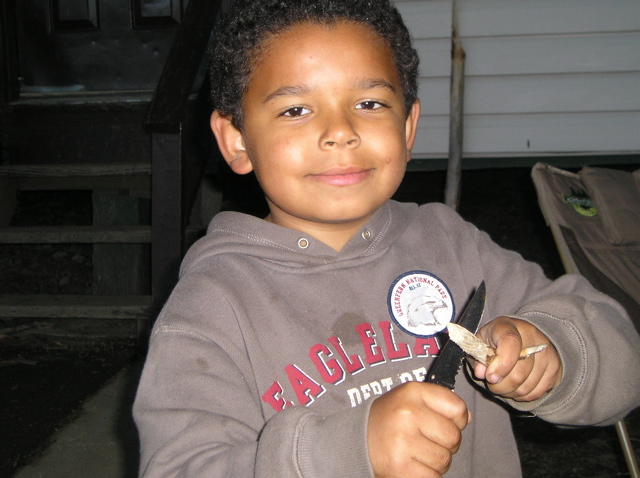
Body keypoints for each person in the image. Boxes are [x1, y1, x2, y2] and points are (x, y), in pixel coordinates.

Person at [133, 0, 640, 476]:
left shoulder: (454, 246)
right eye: (295, 110)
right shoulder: (212, 304)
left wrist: (552, 351)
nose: (340, 131)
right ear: (236, 141)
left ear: (409, 124)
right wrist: (348, 452)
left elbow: (620, 357)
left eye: (370, 102)